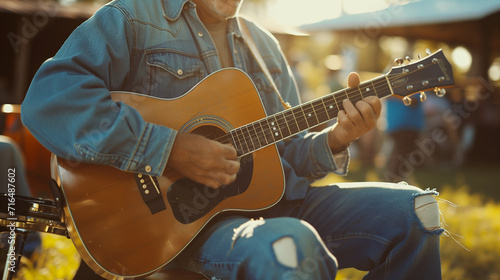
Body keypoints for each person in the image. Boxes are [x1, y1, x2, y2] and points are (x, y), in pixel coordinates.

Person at [20, 0, 444, 279]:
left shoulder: (264, 47)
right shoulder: (131, 19)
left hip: (268, 206)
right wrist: (167, 150)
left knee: (416, 211)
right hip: (178, 229)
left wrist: (335, 139)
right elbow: (48, 102)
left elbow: (282, 160)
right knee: (291, 248)